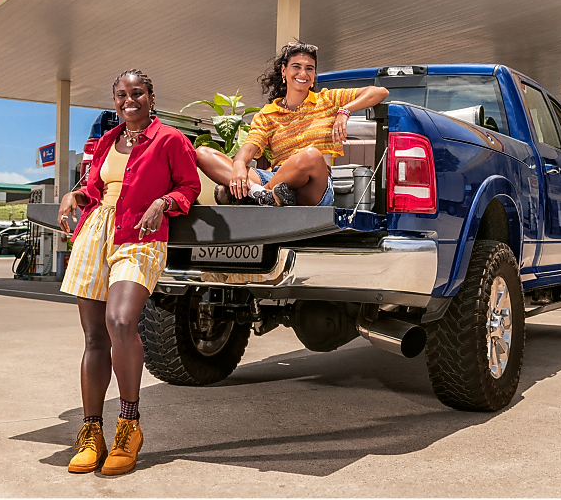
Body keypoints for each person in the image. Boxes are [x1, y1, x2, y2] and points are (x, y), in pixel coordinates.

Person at [56, 70, 199, 476]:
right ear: (115, 100)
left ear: (151, 97)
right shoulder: (107, 141)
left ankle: (128, 426)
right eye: (121, 94)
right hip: (96, 232)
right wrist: (75, 194)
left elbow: (189, 187)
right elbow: (97, 189)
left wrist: (165, 202)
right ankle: (90, 432)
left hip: (140, 235)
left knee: (120, 322)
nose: (129, 100)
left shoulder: (171, 139)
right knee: (94, 336)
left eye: (137, 93)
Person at [195, 42, 388, 206]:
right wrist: (238, 165)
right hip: (276, 180)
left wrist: (344, 111)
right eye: (296, 66)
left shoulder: (328, 99)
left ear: (313, 75)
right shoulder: (268, 114)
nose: (303, 73)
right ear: (284, 70)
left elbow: (379, 92)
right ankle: (265, 195)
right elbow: (249, 148)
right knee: (203, 153)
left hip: (313, 187)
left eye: (309, 68)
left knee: (311, 155)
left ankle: (258, 195)